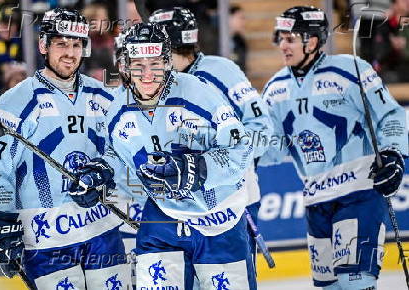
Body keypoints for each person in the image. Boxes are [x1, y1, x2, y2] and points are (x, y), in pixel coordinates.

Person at [0, 8, 131, 289]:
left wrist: (105, 169)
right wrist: (1, 219)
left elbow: (123, 147)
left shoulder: (102, 95)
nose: (70, 53)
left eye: (76, 45)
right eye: (61, 44)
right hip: (46, 237)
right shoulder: (16, 101)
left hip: (100, 230)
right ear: (43, 46)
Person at [97, 22, 256, 289]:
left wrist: (197, 168)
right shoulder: (116, 109)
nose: (147, 74)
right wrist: (101, 173)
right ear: (124, 66)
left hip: (218, 220)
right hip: (162, 220)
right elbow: (116, 155)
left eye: (155, 63)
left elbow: (241, 149)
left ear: (167, 62)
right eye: (138, 64)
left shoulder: (199, 93)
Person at [260, 6, 408, 290]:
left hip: (359, 193)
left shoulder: (351, 71)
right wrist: (239, 153)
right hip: (316, 200)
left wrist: (392, 154)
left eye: (290, 39)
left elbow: (389, 115)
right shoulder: (275, 90)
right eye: (280, 39)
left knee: (355, 284)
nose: (282, 46)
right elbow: (273, 148)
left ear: (312, 41)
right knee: (330, 288)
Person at [149, 6, 272, 270]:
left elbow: (262, 127)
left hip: (232, 201)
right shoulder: (159, 83)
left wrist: (227, 165)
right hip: (184, 206)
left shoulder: (220, 70)